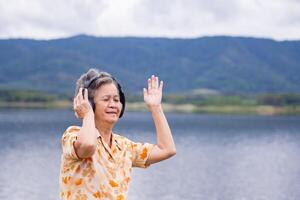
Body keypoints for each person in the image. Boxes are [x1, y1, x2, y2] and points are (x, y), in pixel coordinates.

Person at [59, 68, 176, 200]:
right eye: (106, 99)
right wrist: (87, 115)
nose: (113, 104)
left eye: (116, 99)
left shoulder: (124, 146)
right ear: (89, 104)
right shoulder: (72, 135)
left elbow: (167, 149)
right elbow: (88, 146)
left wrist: (156, 108)